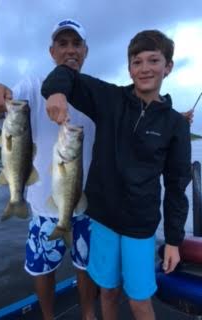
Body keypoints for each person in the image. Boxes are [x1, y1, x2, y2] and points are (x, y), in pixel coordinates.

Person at [41, 29, 192, 320]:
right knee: (107, 292)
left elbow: (176, 186)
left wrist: (173, 240)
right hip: (104, 220)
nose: (145, 68)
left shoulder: (176, 125)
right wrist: (58, 92)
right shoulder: (109, 99)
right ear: (129, 68)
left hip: (140, 227)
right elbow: (65, 75)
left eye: (153, 60)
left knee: (139, 302)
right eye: (137, 61)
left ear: (168, 67)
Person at [0, 19, 98, 320]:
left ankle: (88, 315)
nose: (70, 50)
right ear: (52, 51)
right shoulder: (33, 86)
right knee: (40, 268)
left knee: (87, 267)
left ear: (85, 51)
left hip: (87, 208)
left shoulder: (96, 92)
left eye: (76, 44)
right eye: (63, 44)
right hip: (43, 208)